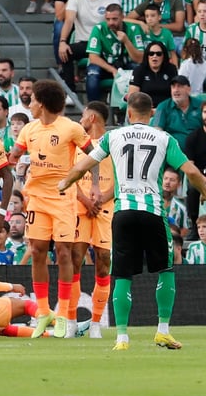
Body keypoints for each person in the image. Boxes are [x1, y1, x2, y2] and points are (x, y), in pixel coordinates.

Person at [59, 91, 206, 351]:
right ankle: (162, 331)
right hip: (153, 212)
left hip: (123, 212)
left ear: (128, 113)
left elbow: (83, 165)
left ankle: (122, 338)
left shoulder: (114, 136)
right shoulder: (164, 138)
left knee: (123, 274)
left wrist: (64, 183)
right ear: (151, 113)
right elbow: (191, 171)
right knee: (165, 269)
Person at [9, 80, 94, 339]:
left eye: (32, 100)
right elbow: (14, 155)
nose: (29, 104)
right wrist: (15, 164)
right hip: (36, 198)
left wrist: (96, 189)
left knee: (63, 253)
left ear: (42, 102)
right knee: (36, 251)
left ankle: (65, 313)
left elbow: (94, 154)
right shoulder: (29, 130)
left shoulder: (71, 128)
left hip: (63, 197)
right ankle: (44, 312)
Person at [70, 100, 115, 340]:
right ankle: (70, 320)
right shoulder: (77, 144)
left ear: (93, 118)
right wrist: (87, 201)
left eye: (83, 116)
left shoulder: (114, 144)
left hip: (105, 209)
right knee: (75, 259)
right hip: (80, 207)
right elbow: (71, 176)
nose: (80, 120)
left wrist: (101, 199)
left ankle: (96, 322)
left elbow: (121, 180)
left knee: (103, 260)